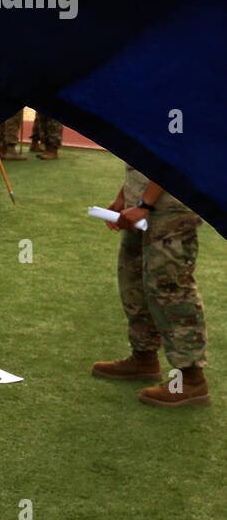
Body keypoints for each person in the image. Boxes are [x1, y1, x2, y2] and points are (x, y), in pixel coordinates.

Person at [93, 169, 210, 407]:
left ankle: (191, 379)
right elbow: (143, 158)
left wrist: (145, 204)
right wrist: (124, 196)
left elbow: (170, 158)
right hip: (142, 206)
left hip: (169, 210)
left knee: (170, 290)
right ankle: (143, 358)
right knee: (133, 280)